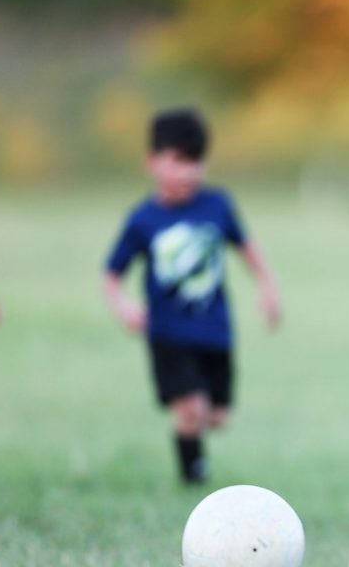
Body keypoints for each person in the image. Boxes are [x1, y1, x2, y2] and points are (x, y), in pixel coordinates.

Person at [102, 108, 281, 484]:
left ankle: (193, 440)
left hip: (216, 330)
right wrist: (123, 306)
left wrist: (267, 288)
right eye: (178, 161)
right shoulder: (143, 219)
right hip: (168, 333)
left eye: (196, 161)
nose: (188, 172)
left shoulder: (218, 205)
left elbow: (246, 247)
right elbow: (112, 273)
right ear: (152, 162)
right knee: (191, 407)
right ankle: (193, 475)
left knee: (216, 417)